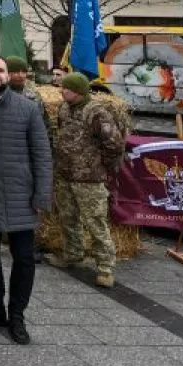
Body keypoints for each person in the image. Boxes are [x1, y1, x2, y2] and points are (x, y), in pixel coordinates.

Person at [0, 56, 53, 345]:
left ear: (8, 75)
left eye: (0, 70)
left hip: (20, 194)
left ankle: (17, 315)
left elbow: (42, 154)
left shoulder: (28, 108)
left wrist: (42, 194)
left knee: (23, 257)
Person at [47, 73, 124, 288]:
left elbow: (114, 144)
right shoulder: (64, 108)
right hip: (65, 175)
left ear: (78, 92)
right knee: (68, 217)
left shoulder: (97, 112)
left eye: (66, 88)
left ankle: (105, 268)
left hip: (89, 179)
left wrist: (100, 165)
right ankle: (73, 254)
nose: (61, 91)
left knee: (95, 222)